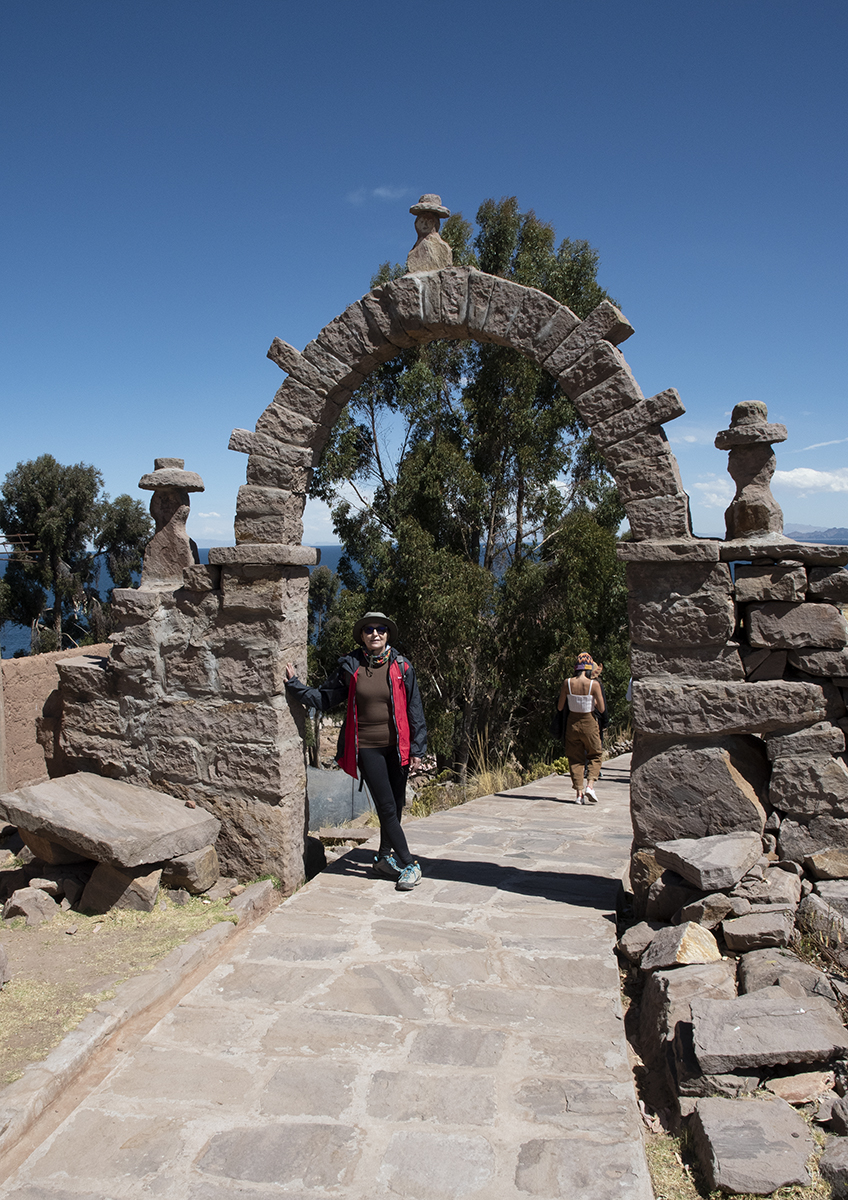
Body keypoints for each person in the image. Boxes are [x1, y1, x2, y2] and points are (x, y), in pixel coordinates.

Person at [285, 611, 427, 891]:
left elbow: (415, 710)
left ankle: (383, 859)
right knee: (386, 806)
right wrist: (296, 687)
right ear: (362, 635)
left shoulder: (402, 666)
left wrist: (418, 750)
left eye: (381, 629)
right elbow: (326, 698)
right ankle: (410, 864)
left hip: (398, 749)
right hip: (368, 748)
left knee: (395, 806)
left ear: (387, 634)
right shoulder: (351, 667)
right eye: (369, 629)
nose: (375, 633)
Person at [557, 651, 605, 804]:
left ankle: (579, 794)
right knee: (595, 754)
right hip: (589, 722)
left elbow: (560, 707)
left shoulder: (567, 683)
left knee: (575, 758)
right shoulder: (594, 685)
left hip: (572, 723)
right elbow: (602, 709)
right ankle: (590, 786)